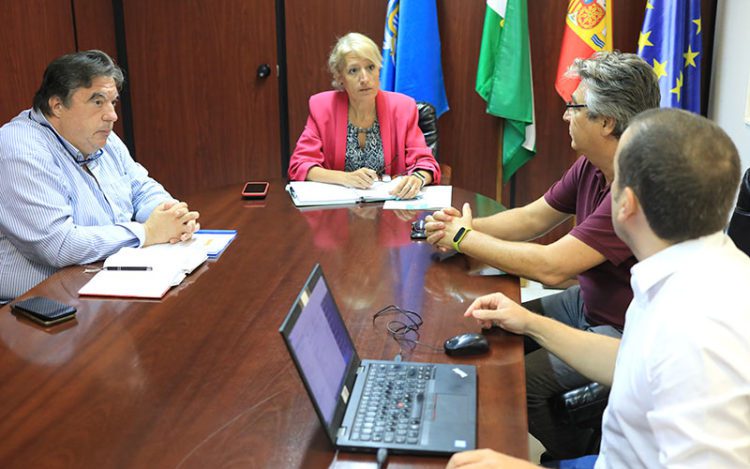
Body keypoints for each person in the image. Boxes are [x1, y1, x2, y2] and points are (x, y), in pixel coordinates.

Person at [447, 108, 750, 468]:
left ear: (627, 204)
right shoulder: (686, 269)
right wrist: (531, 323)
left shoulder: (697, 334)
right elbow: (633, 361)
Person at [425, 51, 660, 458]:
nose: (566, 115)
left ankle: (569, 459)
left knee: (523, 385)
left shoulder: (635, 185)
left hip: (622, 331)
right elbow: (532, 218)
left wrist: (464, 239)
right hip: (585, 302)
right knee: (493, 332)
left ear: (606, 121)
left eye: (575, 106)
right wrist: (463, 228)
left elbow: (553, 267)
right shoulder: (591, 163)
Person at [0, 50, 199, 300]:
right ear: (57, 105)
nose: (112, 115)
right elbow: (58, 245)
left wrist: (170, 215)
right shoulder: (19, 147)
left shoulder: (101, 136)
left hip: (106, 283)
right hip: (39, 309)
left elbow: (140, 187)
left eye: (112, 102)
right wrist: (147, 233)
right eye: (97, 101)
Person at [287, 32, 441, 200]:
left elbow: (426, 163)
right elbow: (299, 165)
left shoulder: (403, 108)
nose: (365, 78)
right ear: (340, 78)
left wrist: (418, 178)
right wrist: (346, 178)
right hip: (336, 211)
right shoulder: (323, 108)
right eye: (353, 70)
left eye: (370, 67)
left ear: (379, 70)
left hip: (391, 208)